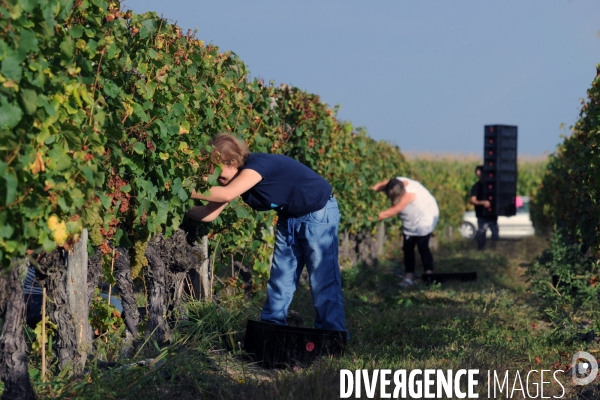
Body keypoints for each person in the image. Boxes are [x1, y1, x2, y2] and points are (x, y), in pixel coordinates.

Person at [185, 133, 347, 334]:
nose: (215, 178)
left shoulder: (256, 167)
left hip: (318, 213)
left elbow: (225, 194)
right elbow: (207, 214)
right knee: (280, 279)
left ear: (233, 161)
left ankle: (332, 337)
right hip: (290, 217)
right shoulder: (233, 180)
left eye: (218, 171)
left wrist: (184, 189)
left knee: (322, 280)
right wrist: (178, 206)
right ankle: (271, 332)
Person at [371, 177, 439, 287]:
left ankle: (429, 275)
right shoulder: (395, 183)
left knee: (423, 247)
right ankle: (409, 277)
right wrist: (371, 190)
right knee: (407, 248)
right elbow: (381, 185)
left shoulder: (410, 194)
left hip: (425, 218)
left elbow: (394, 210)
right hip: (409, 220)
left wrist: (371, 217)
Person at [470, 165, 499, 250]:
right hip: (481, 214)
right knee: (481, 233)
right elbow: (472, 200)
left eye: (481, 174)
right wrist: (483, 202)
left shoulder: (493, 185)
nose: (479, 176)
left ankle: (494, 250)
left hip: (492, 214)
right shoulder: (476, 187)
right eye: (478, 174)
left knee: (495, 234)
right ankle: (481, 250)